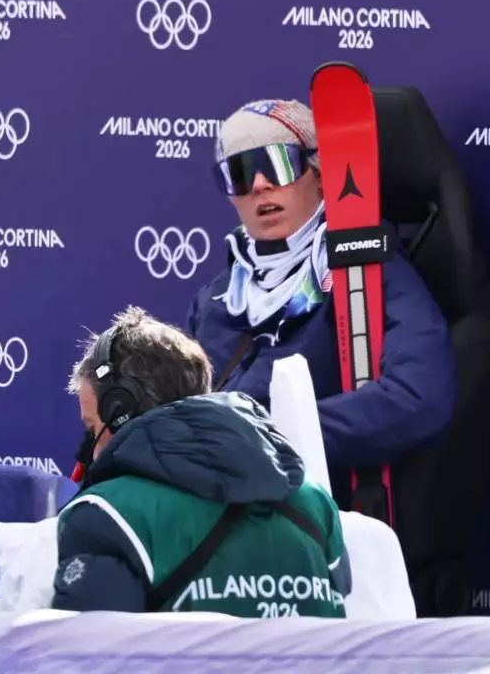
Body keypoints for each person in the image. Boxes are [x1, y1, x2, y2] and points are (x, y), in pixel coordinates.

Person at [185, 98, 458, 512]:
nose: (259, 185)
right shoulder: (217, 299)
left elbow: (419, 396)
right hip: (209, 509)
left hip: (304, 518)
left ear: (320, 174)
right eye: (239, 174)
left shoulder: (368, 272)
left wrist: (270, 435)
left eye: (277, 164)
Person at [51, 305, 350, 618]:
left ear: (120, 412)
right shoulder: (316, 503)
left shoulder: (104, 516)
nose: (92, 452)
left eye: (92, 429)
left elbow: (92, 644)